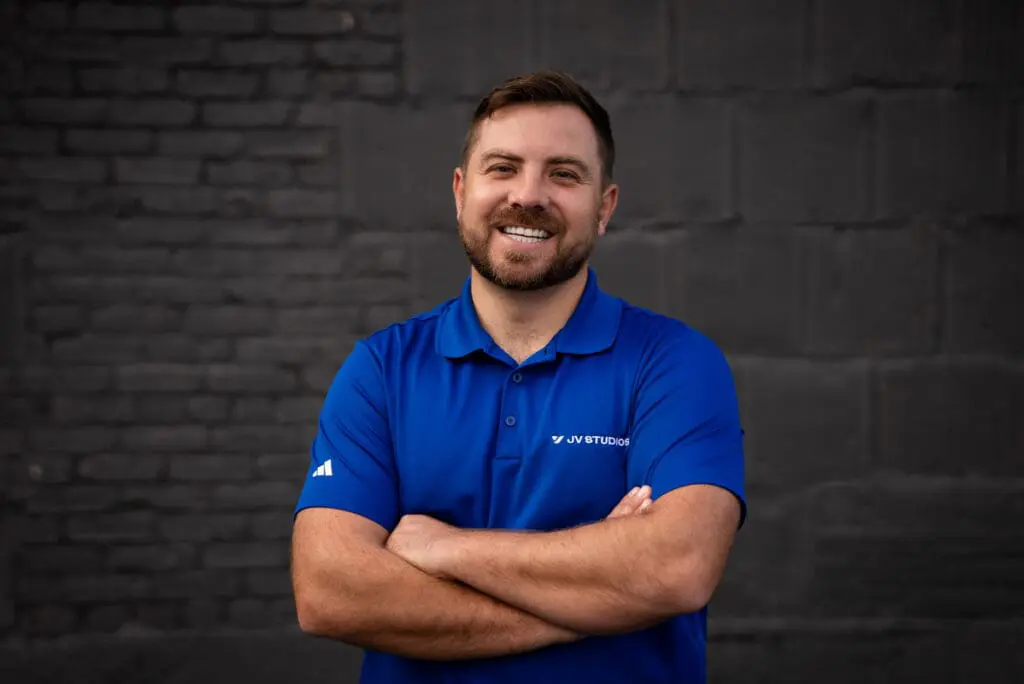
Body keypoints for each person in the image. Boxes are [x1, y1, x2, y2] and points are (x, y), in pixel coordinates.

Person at [290, 70, 746, 684]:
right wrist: (602, 598)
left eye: (564, 174)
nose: (529, 195)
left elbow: (677, 568)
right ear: (460, 191)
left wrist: (443, 548)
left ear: (605, 207)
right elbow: (329, 592)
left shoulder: (674, 362)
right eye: (502, 167)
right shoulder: (381, 370)